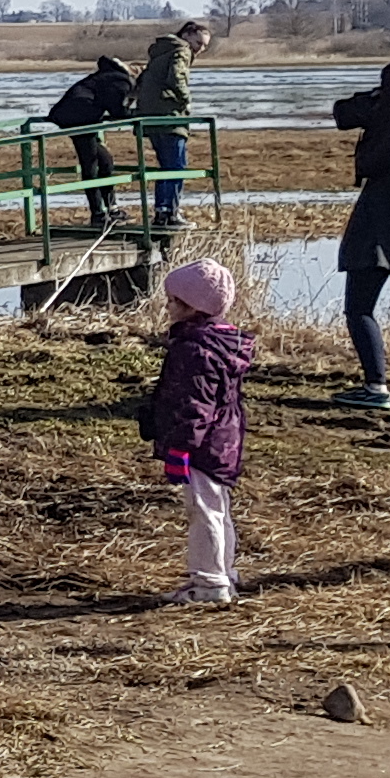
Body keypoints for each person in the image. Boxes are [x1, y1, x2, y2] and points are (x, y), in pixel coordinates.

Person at [140, 257, 251, 606]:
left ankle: (209, 583)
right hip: (223, 440)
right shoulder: (221, 344)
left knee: (203, 511)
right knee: (217, 509)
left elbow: (194, 405)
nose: (167, 306)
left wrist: (180, 448)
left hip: (202, 445)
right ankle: (223, 572)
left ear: (191, 307)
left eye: (173, 301)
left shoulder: (194, 351)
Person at [331, 59, 390, 409]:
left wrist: (378, 97)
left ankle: (376, 387)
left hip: (377, 221)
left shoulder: (385, 113)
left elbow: (343, 113)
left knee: (359, 307)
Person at [129, 20, 210, 230]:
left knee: (166, 167)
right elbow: (177, 76)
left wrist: (133, 103)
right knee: (176, 165)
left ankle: (162, 212)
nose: (199, 49)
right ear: (187, 35)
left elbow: (144, 78)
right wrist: (186, 100)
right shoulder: (181, 50)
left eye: (203, 47)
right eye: (198, 43)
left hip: (151, 115)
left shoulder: (161, 51)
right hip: (169, 115)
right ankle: (170, 213)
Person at [45, 54, 137, 232]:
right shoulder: (121, 82)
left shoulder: (108, 76)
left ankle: (110, 209)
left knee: (104, 161)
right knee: (92, 164)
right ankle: (98, 214)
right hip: (80, 118)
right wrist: (139, 113)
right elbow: (118, 111)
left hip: (76, 116)